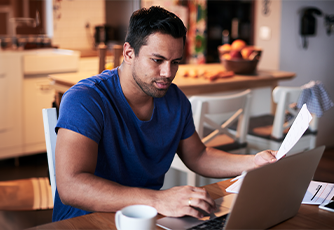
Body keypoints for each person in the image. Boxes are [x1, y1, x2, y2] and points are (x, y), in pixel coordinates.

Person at [52, 6, 277, 222]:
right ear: (129, 53)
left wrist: (254, 162)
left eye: (175, 62)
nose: (167, 73)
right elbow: (71, 186)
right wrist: (158, 200)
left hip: (147, 217)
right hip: (86, 222)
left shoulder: (175, 99)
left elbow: (198, 156)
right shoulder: (85, 99)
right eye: (157, 60)